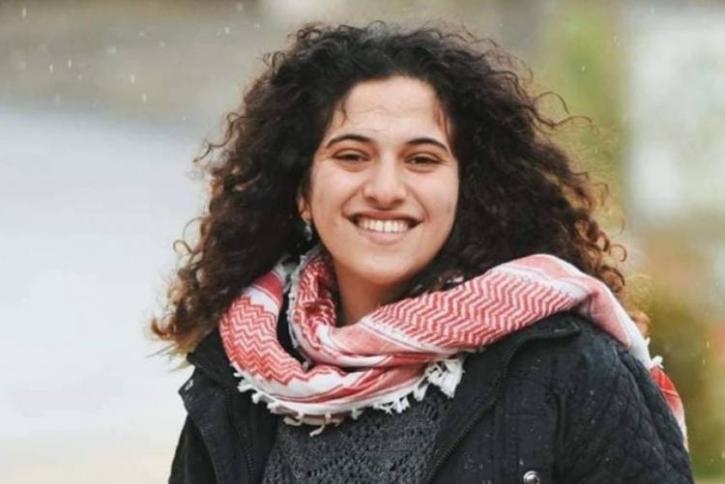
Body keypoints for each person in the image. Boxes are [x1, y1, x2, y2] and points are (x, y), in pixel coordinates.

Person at [153, 22, 694, 484]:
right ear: (302, 191)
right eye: (352, 156)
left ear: (464, 188)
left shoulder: (569, 367)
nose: (386, 189)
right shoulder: (239, 380)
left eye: (422, 160)